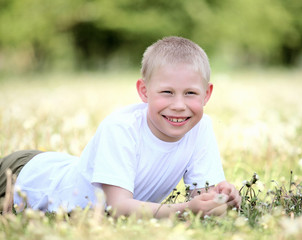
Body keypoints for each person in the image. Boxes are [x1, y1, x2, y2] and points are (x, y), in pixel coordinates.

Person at [0, 36, 240, 218]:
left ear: (207, 95)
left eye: (190, 93)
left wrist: (221, 198)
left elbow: (202, 199)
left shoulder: (200, 127)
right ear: (144, 92)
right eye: (167, 92)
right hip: (23, 177)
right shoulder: (120, 128)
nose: (179, 105)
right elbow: (117, 207)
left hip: (61, 168)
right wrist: (184, 209)